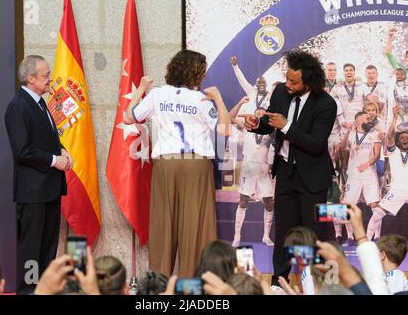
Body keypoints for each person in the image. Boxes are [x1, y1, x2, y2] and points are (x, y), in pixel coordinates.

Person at [124, 49, 230, 277]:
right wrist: (219, 99)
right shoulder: (201, 99)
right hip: (196, 165)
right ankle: (190, 286)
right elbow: (224, 129)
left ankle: (159, 284)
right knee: (195, 227)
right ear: (196, 74)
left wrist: (141, 89)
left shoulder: (158, 94)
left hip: (166, 164)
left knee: (164, 224)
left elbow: (128, 117)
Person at [240, 50, 336, 286]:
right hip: (284, 172)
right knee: (282, 230)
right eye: (287, 78)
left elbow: (315, 144)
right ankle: (278, 282)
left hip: (313, 177)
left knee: (314, 234)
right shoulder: (281, 91)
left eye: (294, 82)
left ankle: (316, 283)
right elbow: (270, 123)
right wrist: (256, 124)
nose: (288, 84)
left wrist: (287, 126)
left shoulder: (326, 104)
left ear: (309, 82)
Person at [4, 55, 72, 294]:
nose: (50, 79)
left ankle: (44, 288)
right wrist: (55, 160)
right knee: (31, 249)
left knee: (47, 246)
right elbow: (22, 150)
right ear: (30, 78)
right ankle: (28, 290)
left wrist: (62, 149)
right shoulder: (18, 106)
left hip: (49, 188)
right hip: (33, 191)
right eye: (45, 75)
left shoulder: (40, 103)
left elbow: (47, 139)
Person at [229, 78, 275, 247]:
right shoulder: (247, 127)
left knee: (269, 202)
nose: (259, 116)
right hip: (248, 167)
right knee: (243, 200)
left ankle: (266, 236)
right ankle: (237, 237)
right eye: (258, 113)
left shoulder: (270, 131)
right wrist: (241, 102)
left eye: (263, 114)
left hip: (263, 169)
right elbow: (230, 117)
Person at [367, 106, 408, 240]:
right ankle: (366, 241)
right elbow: (389, 135)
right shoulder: (393, 151)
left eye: (407, 138)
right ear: (398, 140)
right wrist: (395, 118)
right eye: (402, 138)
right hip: (397, 190)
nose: (405, 140)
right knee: (377, 214)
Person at [340, 112, 381, 243]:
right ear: (358, 121)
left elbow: (377, 154)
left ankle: (376, 236)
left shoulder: (373, 134)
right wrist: (347, 132)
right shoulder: (351, 135)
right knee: (348, 206)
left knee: (375, 205)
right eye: (366, 118)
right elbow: (342, 148)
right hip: (354, 175)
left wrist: (367, 164)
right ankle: (351, 237)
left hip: (369, 174)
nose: (369, 120)